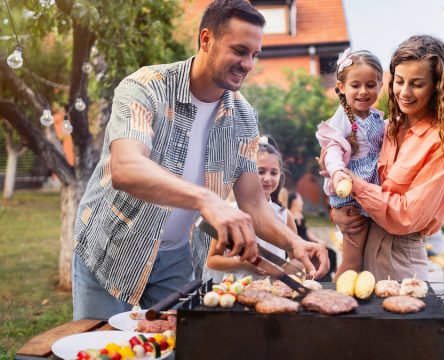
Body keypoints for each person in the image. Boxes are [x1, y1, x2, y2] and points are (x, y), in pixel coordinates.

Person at [72, 0, 328, 320]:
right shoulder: (146, 87)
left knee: (185, 346)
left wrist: (294, 242)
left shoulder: (244, 118)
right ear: (206, 40)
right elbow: (126, 168)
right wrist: (207, 200)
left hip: (178, 257)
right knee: (102, 349)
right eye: (239, 50)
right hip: (112, 248)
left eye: (254, 55)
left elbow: (254, 203)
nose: (248, 64)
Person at [322, 35, 444, 281]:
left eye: (417, 84)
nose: (404, 93)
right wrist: (339, 212)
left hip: (400, 257)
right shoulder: (388, 128)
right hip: (364, 245)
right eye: (399, 81)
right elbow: (336, 164)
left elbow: (406, 217)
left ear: (437, 87)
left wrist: (353, 184)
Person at [315, 49, 384, 278]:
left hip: (371, 188)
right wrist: (337, 174)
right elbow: (333, 150)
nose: (363, 91)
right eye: (356, 85)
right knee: (353, 259)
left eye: (371, 85)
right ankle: (337, 298)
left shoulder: (375, 116)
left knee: (368, 258)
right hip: (351, 196)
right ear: (341, 87)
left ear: (380, 85)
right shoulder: (343, 119)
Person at [204, 138, 297, 281]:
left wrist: (284, 269)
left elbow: (296, 259)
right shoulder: (229, 213)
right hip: (235, 291)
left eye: (274, 173)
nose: (267, 178)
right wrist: (245, 264)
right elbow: (213, 260)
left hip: (273, 292)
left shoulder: (285, 216)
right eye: (260, 171)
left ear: (280, 175)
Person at [288, 192, 338, 282]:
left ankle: (326, 277)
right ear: (294, 201)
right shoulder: (289, 215)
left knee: (331, 252)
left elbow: (307, 231)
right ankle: (318, 277)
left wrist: (318, 240)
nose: (302, 202)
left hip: (306, 240)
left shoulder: (301, 215)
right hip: (298, 242)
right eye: (300, 199)